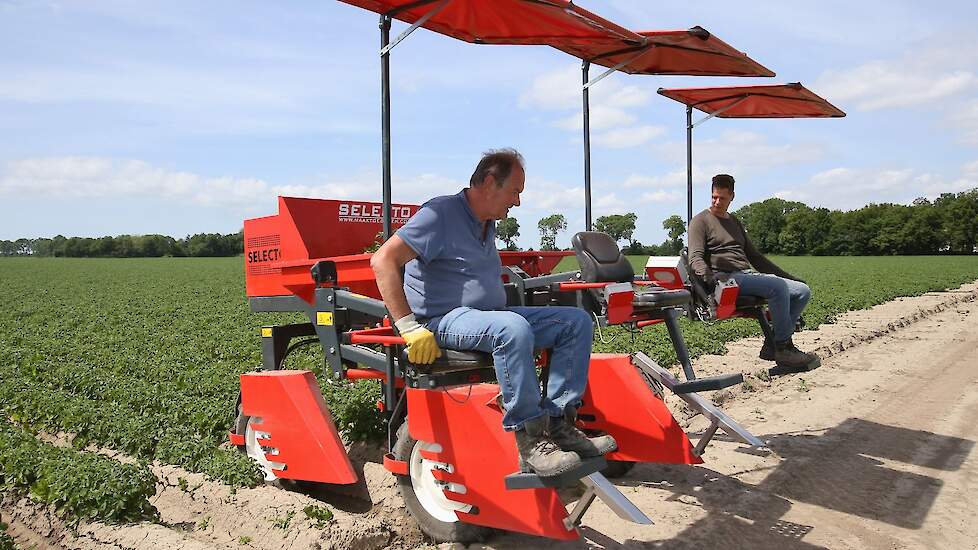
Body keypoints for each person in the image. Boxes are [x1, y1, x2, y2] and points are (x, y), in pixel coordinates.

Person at [370, 148, 616, 477]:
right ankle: (529, 443)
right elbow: (382, 260)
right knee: (511, 329)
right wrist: (408, 327)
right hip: (446, 319)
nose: (517, 201)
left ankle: (560, 425)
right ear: (489, 182)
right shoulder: (440, 214)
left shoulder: (486, 222)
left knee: (576, 322)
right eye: (514, 191)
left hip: (488, 315)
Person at [688, 174, 820, 374]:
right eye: (714, 197)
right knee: (777, 287)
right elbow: (695, 257)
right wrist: (711, 280)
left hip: (745, 275)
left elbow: (756, 258)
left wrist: (790, 277)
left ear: (732, 197)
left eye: (722, 198)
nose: (716, 202)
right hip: (725, 278)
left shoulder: (734, 222)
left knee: (802, 291)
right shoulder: (700, 221)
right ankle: (784, 348)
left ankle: (772, 344)